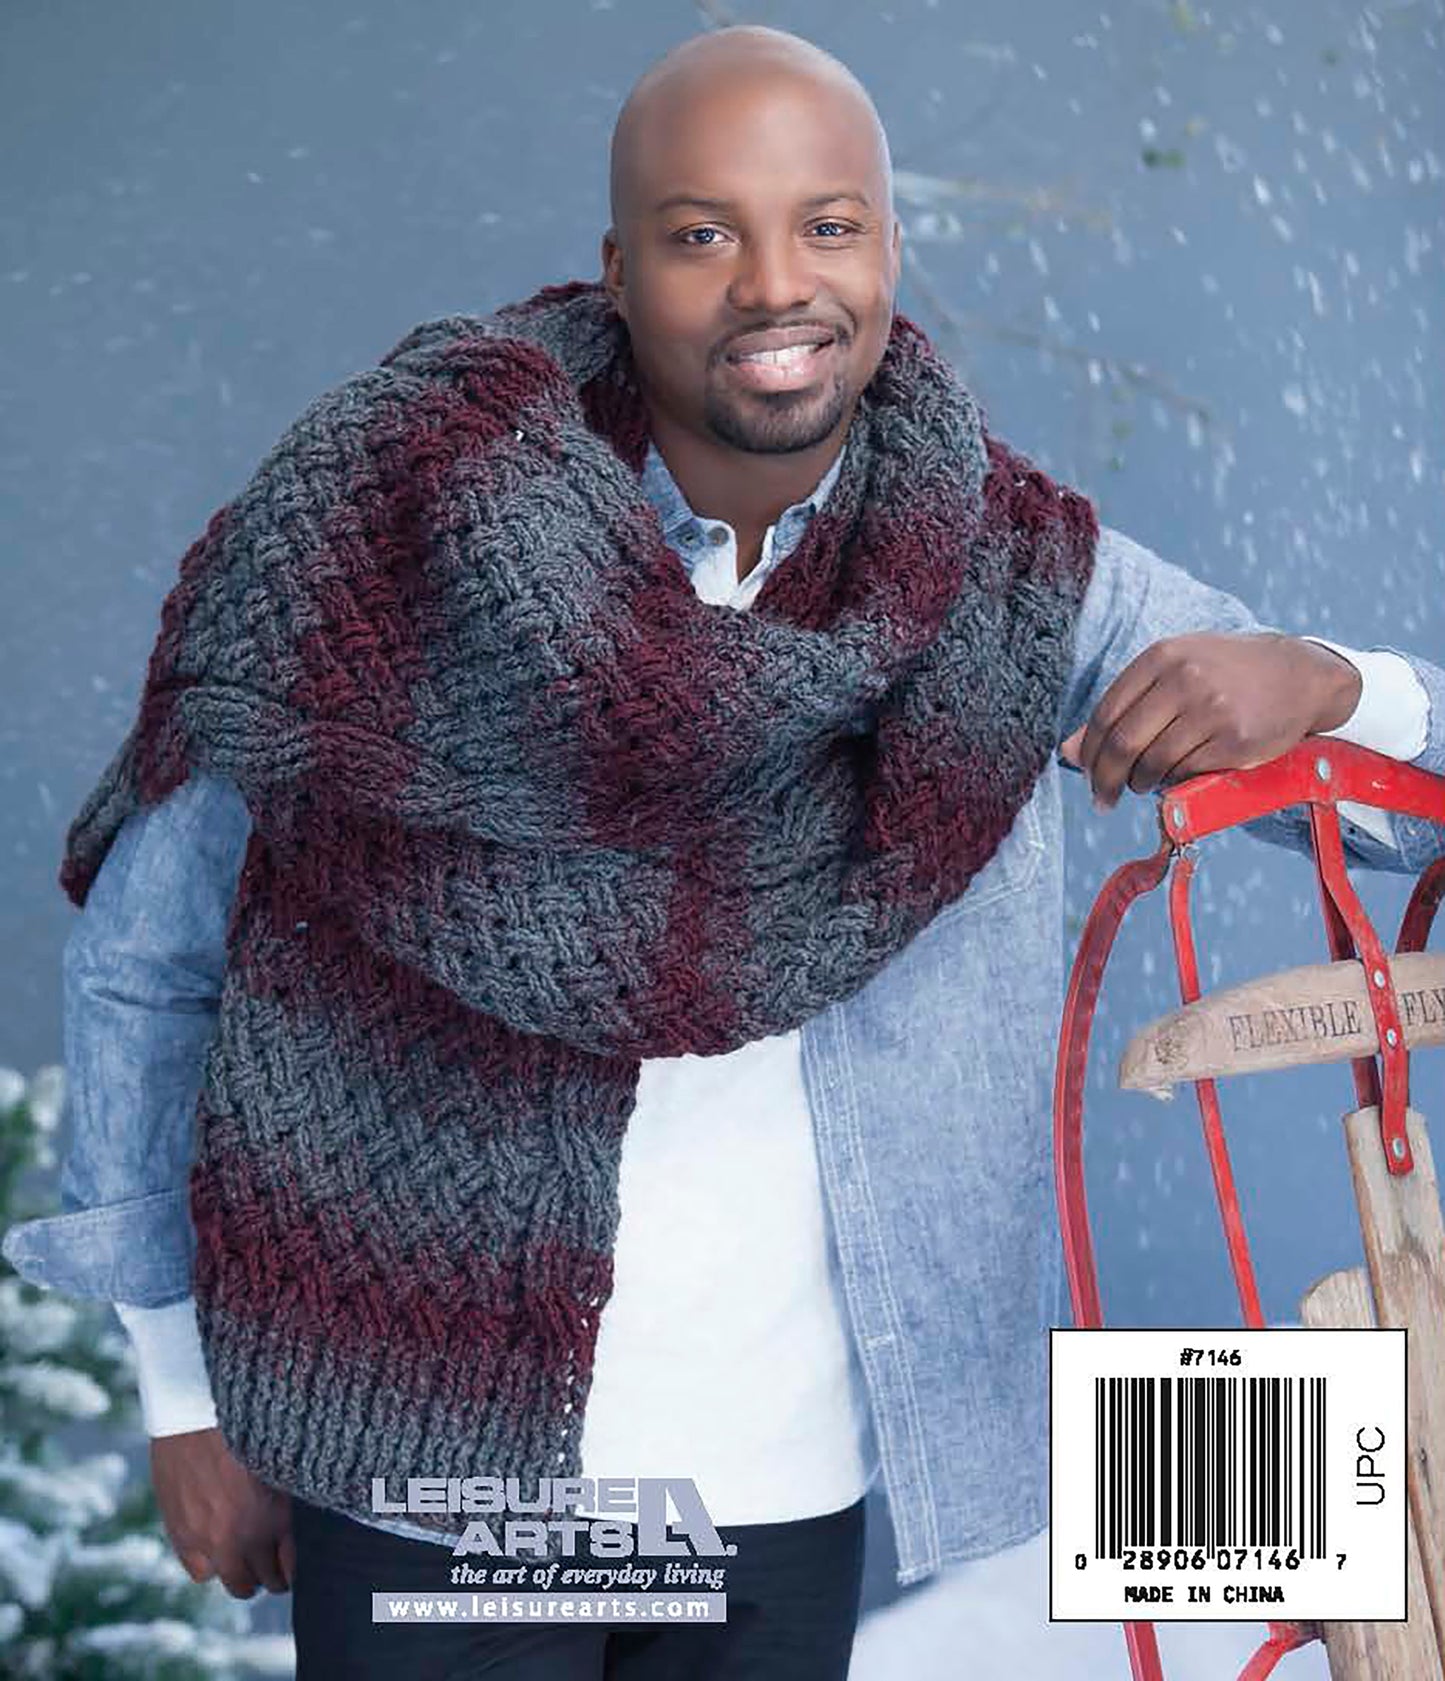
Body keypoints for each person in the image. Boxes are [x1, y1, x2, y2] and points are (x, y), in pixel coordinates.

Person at [5, 22, 1442, 1681]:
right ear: (619, 270)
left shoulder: (1009, 580)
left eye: (828, 225)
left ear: (886, 252)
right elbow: (152, 958)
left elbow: (1391, 818)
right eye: (704, 233)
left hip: (779, 1485)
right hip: (426, 1463)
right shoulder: (380, 529)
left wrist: (1335, 682)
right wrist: (183, 1390)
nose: (776, 284)